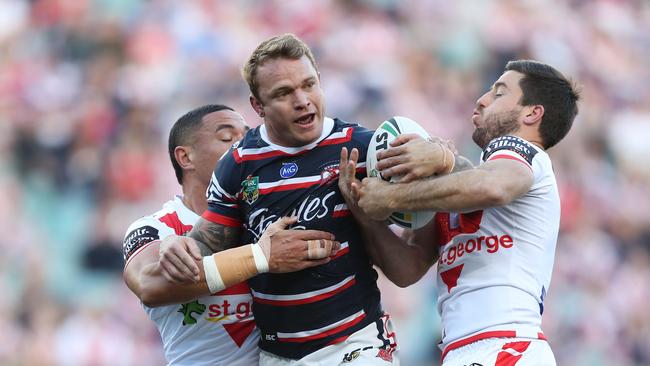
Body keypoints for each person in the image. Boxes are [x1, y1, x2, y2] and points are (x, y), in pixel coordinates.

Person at [157, 33, 463, 365]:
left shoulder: (365, 148)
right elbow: (206, 243)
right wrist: (178, 245)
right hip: (278, 354)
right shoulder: (237, 165)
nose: (302, 100)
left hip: (355, 344)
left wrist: (442, 156)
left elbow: (411, 261)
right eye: (284, 93)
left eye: (309, 85)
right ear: (258, 106)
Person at [346, 60, 580, 365]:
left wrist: (393, 194)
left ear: (531, 113)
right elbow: (408, 268)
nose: (481, 100)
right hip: (464, 349)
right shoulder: (460, 186)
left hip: (508, 346)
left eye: (498, 94)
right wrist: (363, 210)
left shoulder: (526, 153)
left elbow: (493, 186)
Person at [123, 104, 339, 366]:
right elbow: (150, 285)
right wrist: (260, 256)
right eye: (227, 138)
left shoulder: (272, 218)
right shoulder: (158, 228)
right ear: (185, 157)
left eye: (247, 137)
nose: (243, 147)